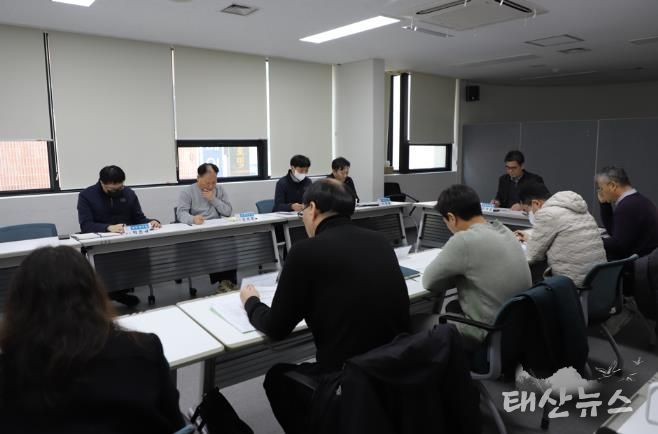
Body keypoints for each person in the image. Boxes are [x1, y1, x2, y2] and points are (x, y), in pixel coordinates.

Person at [239, 179, 410, 434]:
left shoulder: (304, 252)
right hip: (393, 367)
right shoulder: (380, 241)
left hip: (347, 378)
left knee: (276, 378)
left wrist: (251, 302)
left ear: (312, 209)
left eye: (303, 212)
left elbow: (276, 328)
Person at [0, 246, 185, 434]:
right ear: (95, 294)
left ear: (19, 305)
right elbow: (176, 425)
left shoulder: (8, 373)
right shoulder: (144, 350)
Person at [423, 184, 531, 349]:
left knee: (417, 321)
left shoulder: (464, 240)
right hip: (517, 328)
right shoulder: (505, 231)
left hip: (486, 334)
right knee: (453, 305)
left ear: (451, 218)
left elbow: (429, 282)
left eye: (445, 222)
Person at [77, 165, 160, 306]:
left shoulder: (128, 193)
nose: (117, 192)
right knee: (107, 266)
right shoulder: (87, 196)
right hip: (101, 246)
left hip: (127, 243)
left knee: (142, 257)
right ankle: (114, 293)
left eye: (120, 188)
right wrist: (108, 228)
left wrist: (151, 222)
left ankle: (118, 292)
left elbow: (138, 218)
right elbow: (86, 225)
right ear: (102, 183)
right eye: (112, 190)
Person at [517, 182, 606, 288]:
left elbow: (533, 256)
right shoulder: (581, 210)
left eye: (526, 211)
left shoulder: (547, 213)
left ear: (536, 203)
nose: (529, 214)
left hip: (573, 286)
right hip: (598, 282)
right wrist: (530, 239)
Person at [176, 163, 236, 290]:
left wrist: (213, 199)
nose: (211, 186)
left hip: (217, 229)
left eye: (214, 182)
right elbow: (181, 213)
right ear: (198, 178)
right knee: (213, 246)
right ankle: (222, 282)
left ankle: (227, 281)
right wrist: (193, 219)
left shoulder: (219, 190)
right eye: (207, 182)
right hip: (199, 230)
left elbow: (228, 212)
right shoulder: (187, 192)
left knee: (230, 242)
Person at [596, 166, 658, 260]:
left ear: (612, 186)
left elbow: (618, 246)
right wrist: (604, 204)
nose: (600, 192)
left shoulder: (627, 206)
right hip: (645, 260)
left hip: (638, 264)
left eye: (601, 188)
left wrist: (593, 240)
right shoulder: (639, 200)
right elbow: (614, 232)